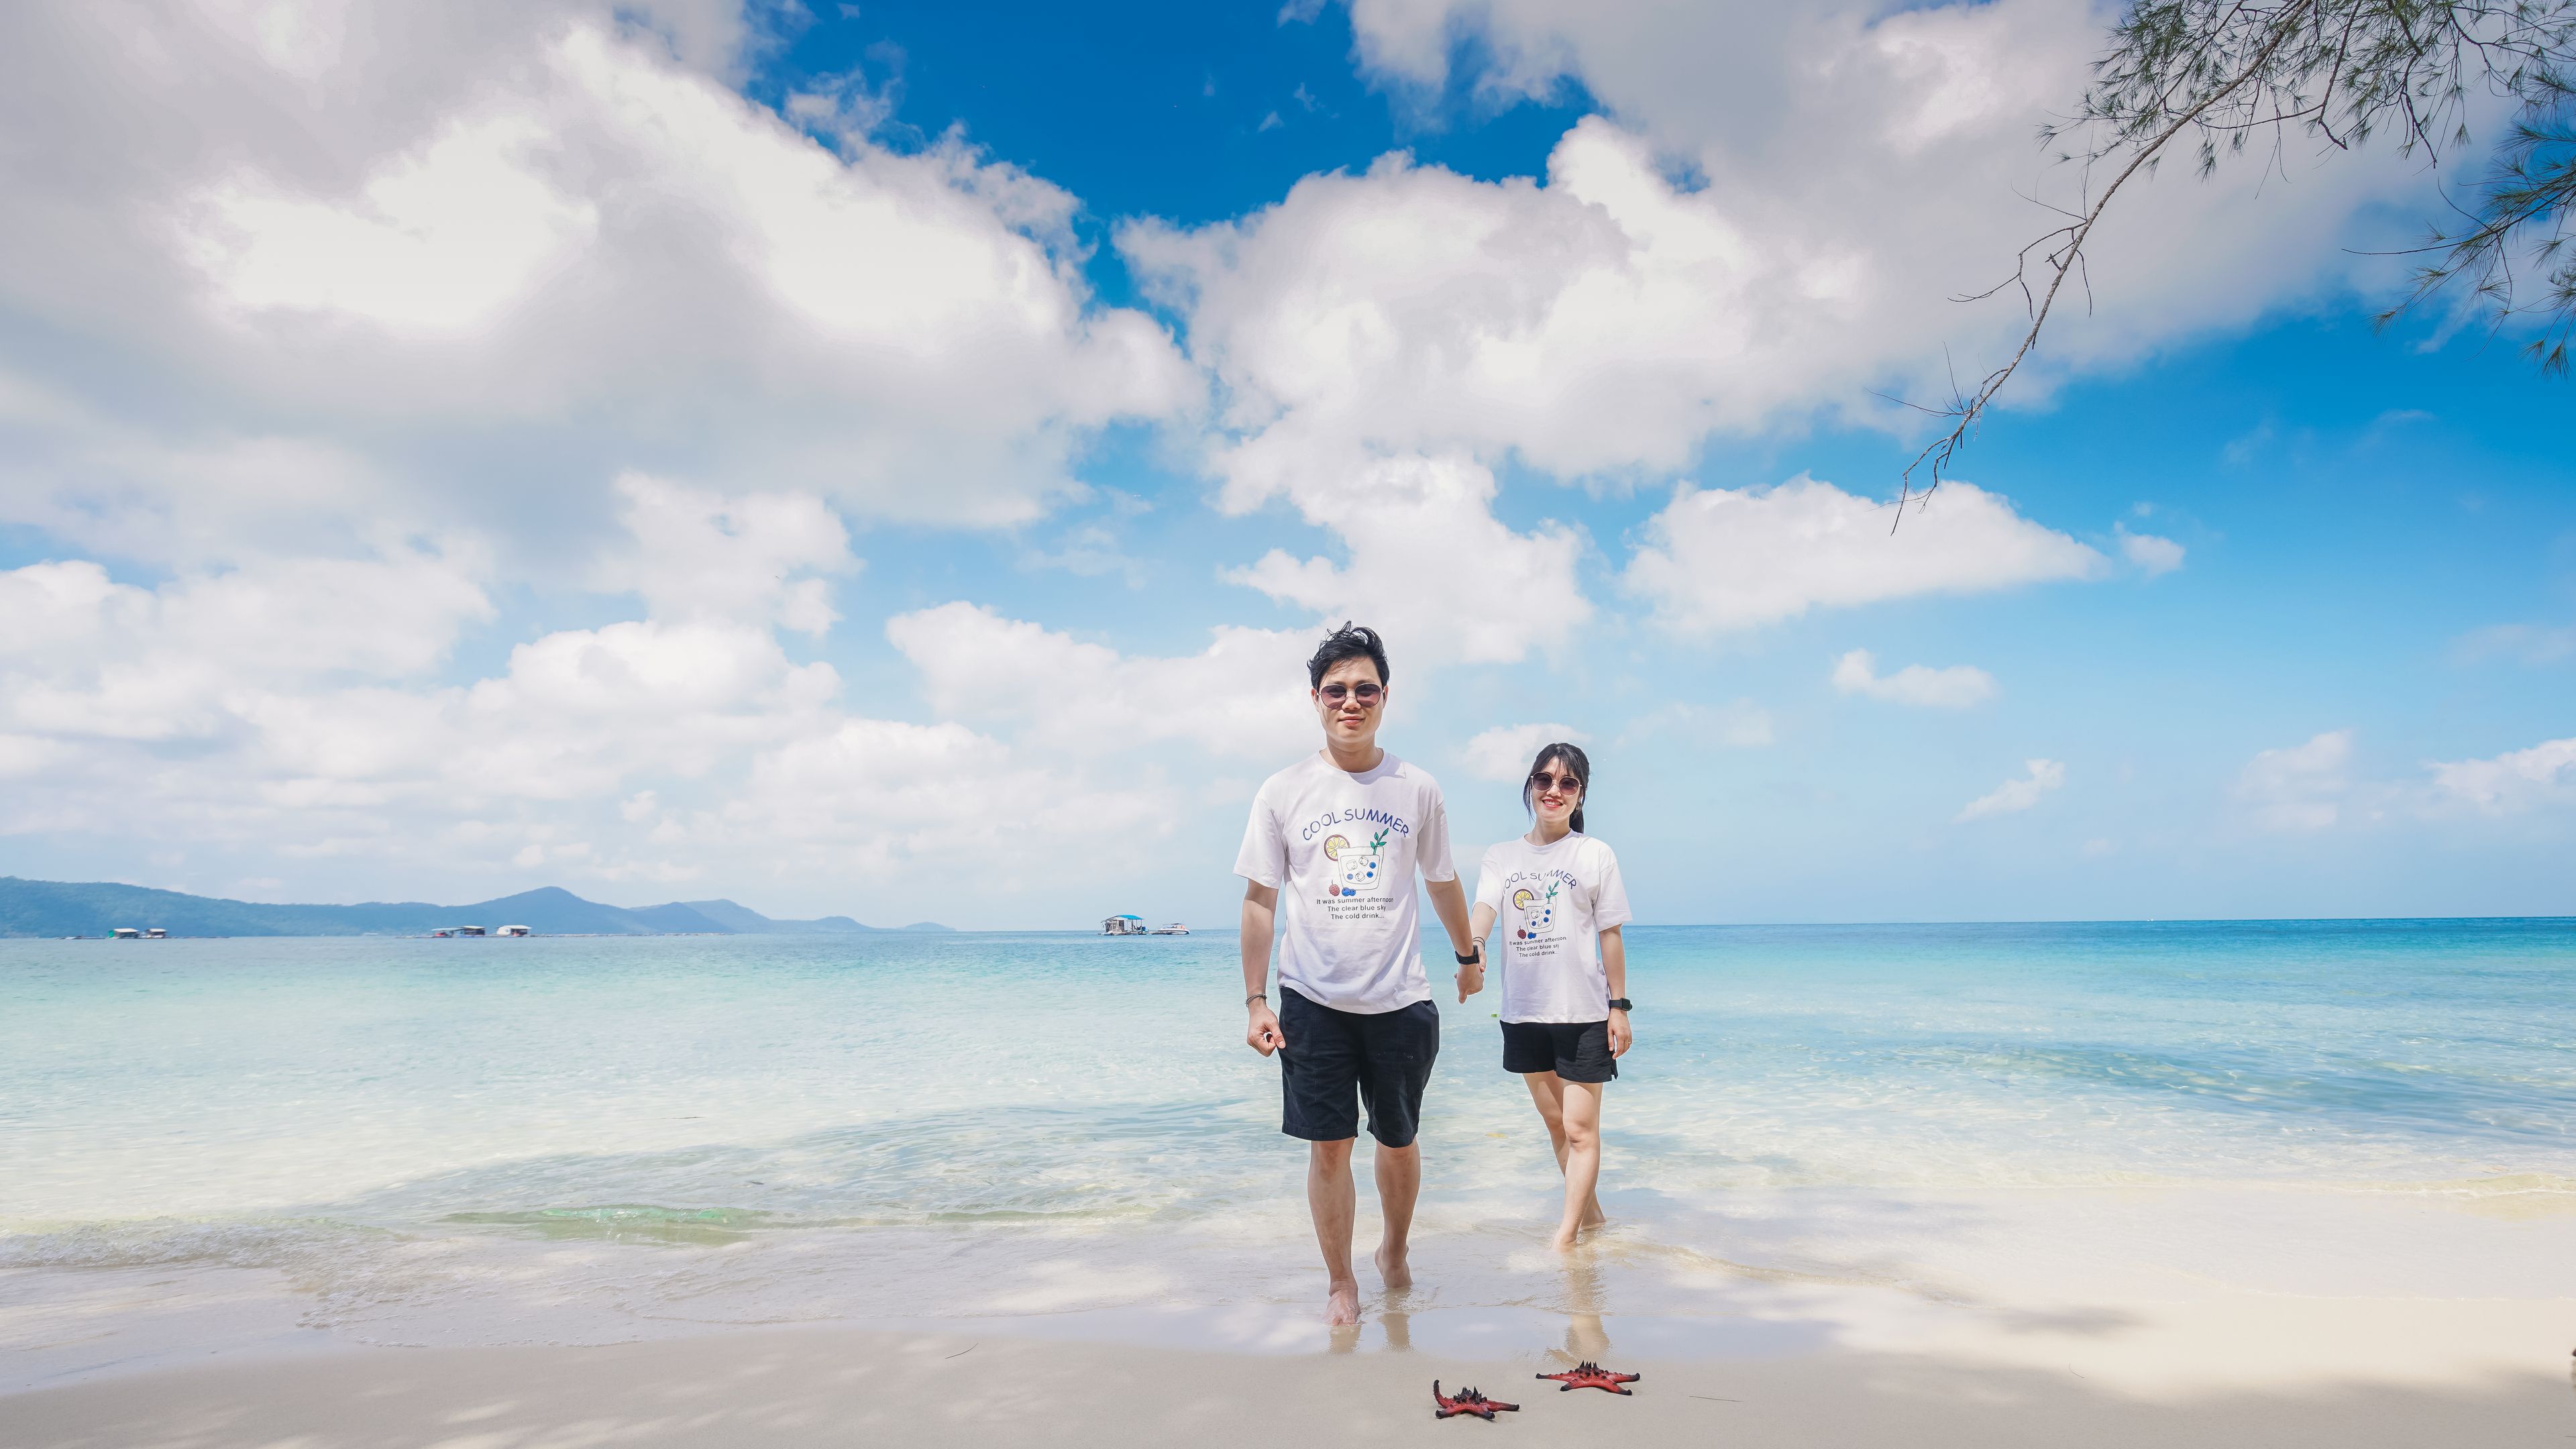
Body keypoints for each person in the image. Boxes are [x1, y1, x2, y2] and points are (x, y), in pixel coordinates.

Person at [1236, 623, 1482, 1326]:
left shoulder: (1417, 787)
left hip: (1401, 999)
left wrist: (1467, 956)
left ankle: (1394, 1251)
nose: (1352, 701)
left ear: (1384, 698)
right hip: (1311, 1000)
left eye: (1365, 689)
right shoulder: (1282, 791)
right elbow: (1260, 900)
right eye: (1337, 690)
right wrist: (1256, 1000)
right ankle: (1341, 1280)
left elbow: (1441, 881)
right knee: (1329, 1147)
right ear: (1316, 699)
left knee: (1399, 1142)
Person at [1459, 743, 1631, 1250]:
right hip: (1525, 1011)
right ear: (1530, 787)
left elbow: (1611, 935)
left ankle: (1566, 1237)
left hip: (1582, 1012)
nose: (1553, 791)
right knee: (1556, 1122)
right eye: (1544, 780)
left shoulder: (1594, 853)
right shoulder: (1502, 856)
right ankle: (1593, 1218)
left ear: (1580, 796)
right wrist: (1473, 949)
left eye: (1568, 783)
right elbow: (1485, 908)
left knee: (1580, 1129)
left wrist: (1619, 1008)